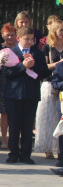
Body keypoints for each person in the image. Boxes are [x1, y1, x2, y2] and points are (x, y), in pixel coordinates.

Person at [3, 26, 49, 164]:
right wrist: (22, 66)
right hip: (13, 95)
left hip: (31, 95)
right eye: (26, 39)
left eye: (31, 39)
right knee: (14, 126)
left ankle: (26, 155)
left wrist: (32, 65)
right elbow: (7, 74)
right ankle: (13, 154)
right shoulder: (11, 52)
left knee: (28, 127)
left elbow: (45, 73)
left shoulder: (38, 53)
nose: (29, 42)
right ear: (18, 39)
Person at [35, 20, 63, 160]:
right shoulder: (48, 47)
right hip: (49, 82)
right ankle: (47, 148)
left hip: (62, 85)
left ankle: (59, 148)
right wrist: (59, 64)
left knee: (59, 118)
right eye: (61, 30)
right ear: (55, 31)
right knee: (46, 117)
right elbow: (44, 67)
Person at [0, 23, 17, 149]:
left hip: (17, 82)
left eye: (12, 35)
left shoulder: (19, 48)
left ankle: (16, 139)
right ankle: (4, 139)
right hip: (4, 82)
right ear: (2, 35)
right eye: (7, 35)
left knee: (17, 113)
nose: (10, 37)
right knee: (4, 113)